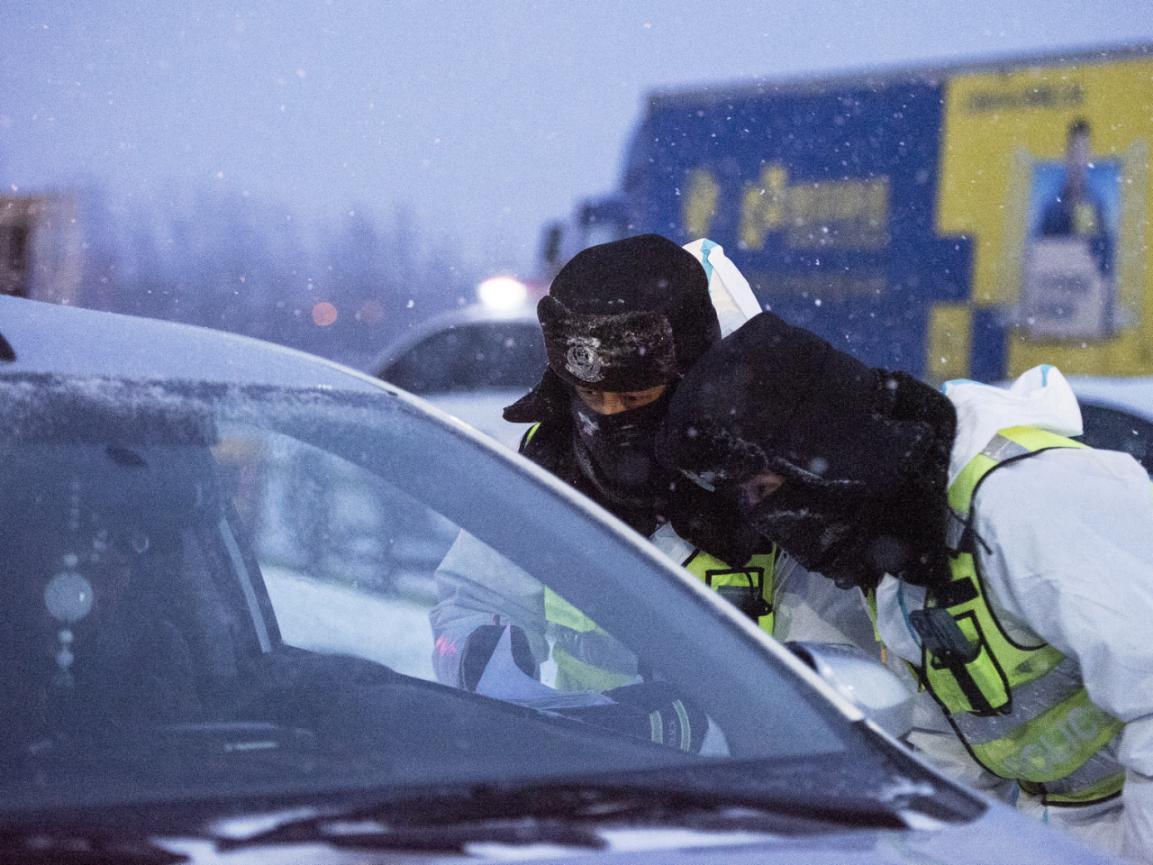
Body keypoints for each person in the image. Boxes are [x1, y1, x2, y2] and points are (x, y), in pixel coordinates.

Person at [656, 309, 1153, 861]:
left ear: (816, 452)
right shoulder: (901, 550)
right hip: (1070, 825)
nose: (765, 516)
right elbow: (950, 750)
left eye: (765, 487)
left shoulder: (1023, 503)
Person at [429, 235, 873, 721]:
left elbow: (845, 678)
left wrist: (703, 733)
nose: (609, 418)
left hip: (756, 783)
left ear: (693, 380)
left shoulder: (772, 476)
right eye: (590, 397)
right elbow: (475, 598)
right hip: (587, 766)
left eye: (636, 399)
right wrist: (488, 663)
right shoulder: (550, 463)